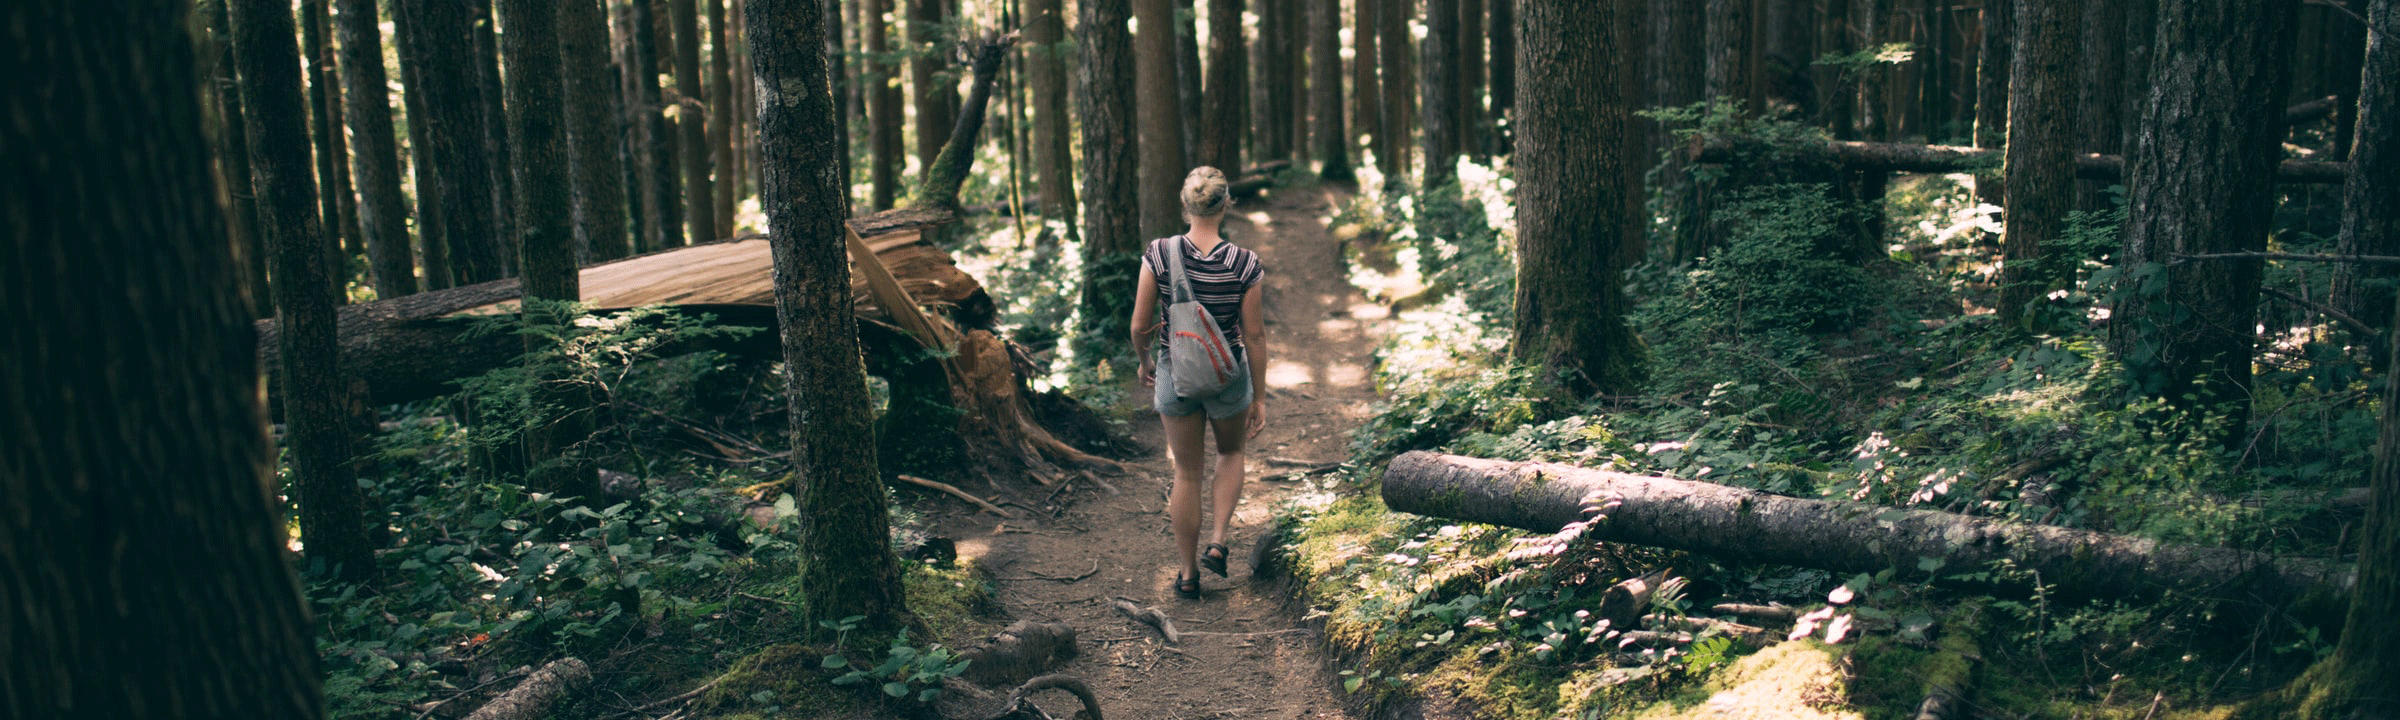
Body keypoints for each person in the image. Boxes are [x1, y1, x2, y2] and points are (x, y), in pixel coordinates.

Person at [1131, 166, 1268, 600]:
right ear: (1226, 204)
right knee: (1230, 453)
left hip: (1177, 374)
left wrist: (1145, 360)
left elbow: (1139, 324)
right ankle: (1218, 540)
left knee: (1186, 473)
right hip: (1227, 376)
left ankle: (1188, 574)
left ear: (1184, 203)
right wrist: (1259, 396)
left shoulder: (1159, 253)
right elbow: (1255, 335)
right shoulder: (1245, 263)